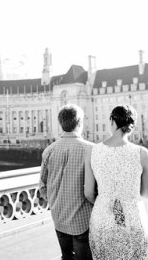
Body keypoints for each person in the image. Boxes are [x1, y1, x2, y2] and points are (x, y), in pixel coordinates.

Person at [84, 105, 148, 260]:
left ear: (112, 121)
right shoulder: (141, 153)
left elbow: (88, 193)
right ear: (130, 127)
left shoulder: (92, 151)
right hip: (133, 220)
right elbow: (146, 193)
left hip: (102, 220)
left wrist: (105, 200)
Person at [39, 104, 94, 260]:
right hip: (83, 220)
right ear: (80, 123)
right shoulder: (91, 149)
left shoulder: (49, 150)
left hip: (59, 218)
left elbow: (42, 187)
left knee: (66, 257)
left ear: (61, 124)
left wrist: (55, 203)